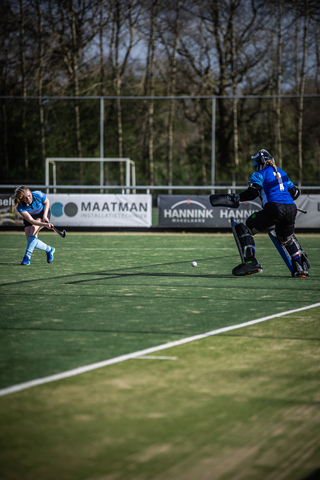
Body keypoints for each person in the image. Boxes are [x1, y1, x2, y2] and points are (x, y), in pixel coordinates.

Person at [229, 149, 310, 278]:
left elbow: (253, 193)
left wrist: (236, 197)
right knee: (285, 238)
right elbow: (295, 193)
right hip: (291, 209)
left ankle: (250, 262)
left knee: (247, 227)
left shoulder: (259, 174)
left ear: (261, 162)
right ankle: (300, 266)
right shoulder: (282, 173)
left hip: (274, 208)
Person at [14, 186, 55, 265]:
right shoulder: (20, 206)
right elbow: (31, 220)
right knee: (32, 241)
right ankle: (49, 249)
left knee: (33, 229)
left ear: (31, 192)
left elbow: (47, 202)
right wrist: (46, 224)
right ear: (21, 199)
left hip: (41, 213)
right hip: (30, 217)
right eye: (25, 198)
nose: (29, 199)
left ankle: (27, 257)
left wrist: (45, 216)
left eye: (29, 195)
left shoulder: (38, 194)